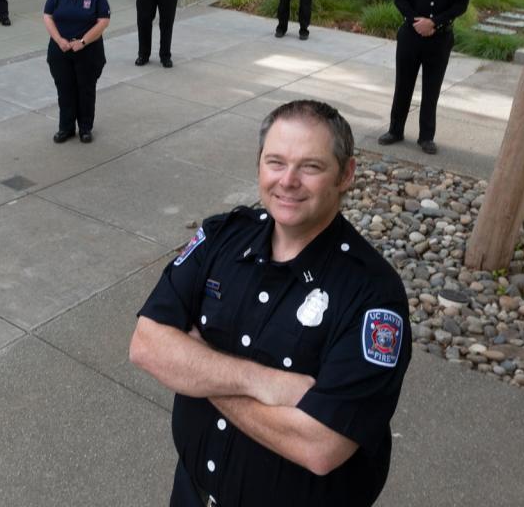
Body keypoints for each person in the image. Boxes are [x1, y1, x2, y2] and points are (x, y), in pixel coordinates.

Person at [130, 99, 411, 507]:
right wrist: (264, 383)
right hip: (191, 494)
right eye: (275, 162)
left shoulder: (371, 296)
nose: (288, 181)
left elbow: (321, 446)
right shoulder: (223, 238)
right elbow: (146, 345)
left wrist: (198, 369)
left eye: (310, 167)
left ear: (346, 174)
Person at [378, 0, 473, 155]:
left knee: (432, 88)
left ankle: (426, 137)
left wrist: (434, 23)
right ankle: (395, 129)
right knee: (403, 85)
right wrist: (415, 21)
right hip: (411, 35)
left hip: (440, 38)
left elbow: (461, 4)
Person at [42, 0, 111, 144]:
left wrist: (82, 42)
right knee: (65, 89)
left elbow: (103, 21)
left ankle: (85, 128)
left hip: (88, 51)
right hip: (61, 50)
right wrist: (59, 40)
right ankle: (66, 128)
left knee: (86, 90)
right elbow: (47, 16)